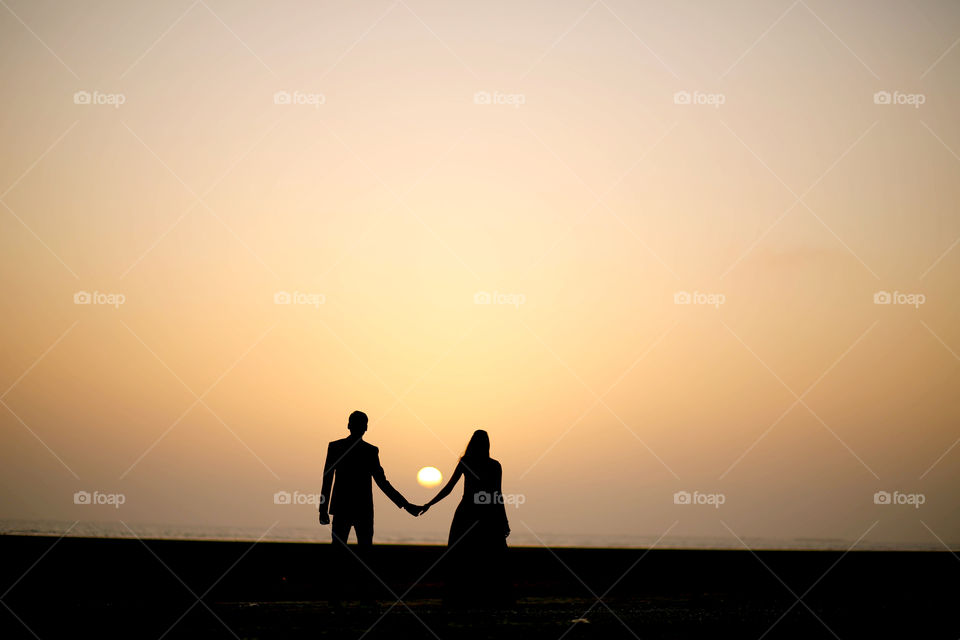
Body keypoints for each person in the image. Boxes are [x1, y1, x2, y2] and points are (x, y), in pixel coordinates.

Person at [318, 410, 419, 600]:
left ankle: (347, 595)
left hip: (351, 508)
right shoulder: (356, 449)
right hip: (356, 508)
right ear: (362, 427)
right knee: (359, 553)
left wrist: (323, 509)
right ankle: (352, 595)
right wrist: (406, 505)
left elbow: (327, 480)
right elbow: (381, 483)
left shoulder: (354, 449)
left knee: (350, 553)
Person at [417, 429, 512, 605]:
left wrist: (429, 504)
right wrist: (503, 519)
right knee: (485, 555)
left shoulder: (468, 462)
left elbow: (449, 488)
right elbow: (497, 495)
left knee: (464, 554)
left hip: (469, 511)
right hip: (485, 512)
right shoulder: (492, 465)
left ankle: (462, 594)